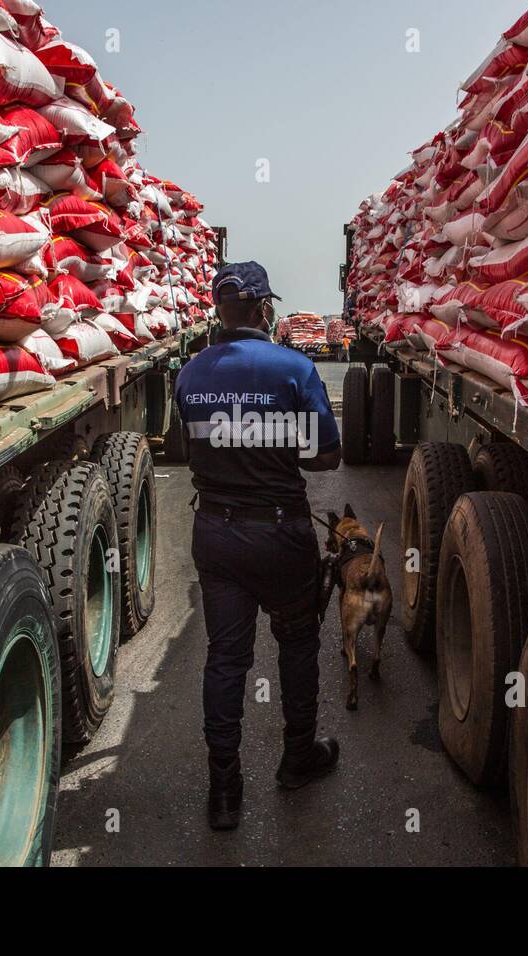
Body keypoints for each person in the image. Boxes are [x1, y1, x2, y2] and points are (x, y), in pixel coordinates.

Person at [175, 261, 342, 831]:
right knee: (296, 644)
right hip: (280, 535)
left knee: (226, 658)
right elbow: (327, 455)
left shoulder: (190, 373)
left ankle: (224, 790)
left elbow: (189, 453)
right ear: (260, 309)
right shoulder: (294, 368)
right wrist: (274, 443)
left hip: (216, 535)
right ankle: (298, 758)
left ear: (220, 310)